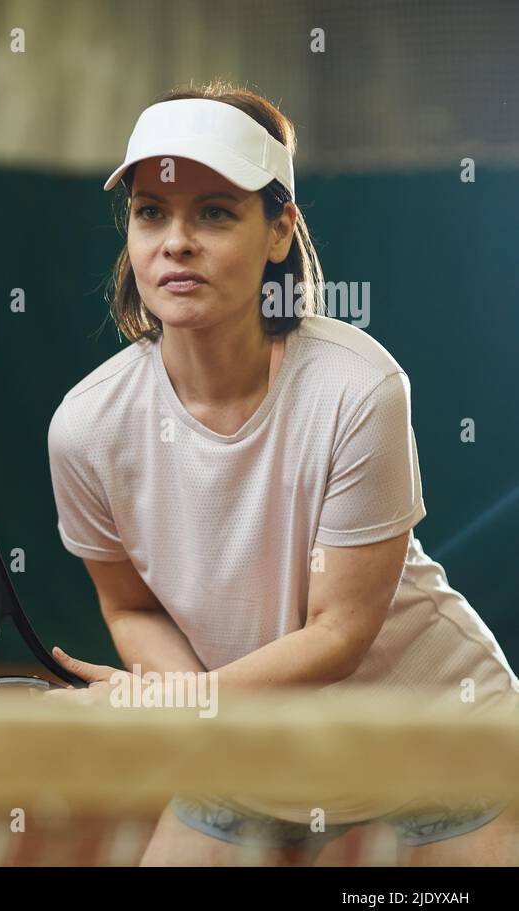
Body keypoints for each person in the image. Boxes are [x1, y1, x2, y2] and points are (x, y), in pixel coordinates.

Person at [44, 82, 519, 865]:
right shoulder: (87, 426)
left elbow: (338, 633)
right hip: (246, 745)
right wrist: (186, 710)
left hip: (439, 735)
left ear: (278, 232)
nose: (176, 241)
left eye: (216, 212)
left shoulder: (359, 388)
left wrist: (175, 705)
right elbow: (129, 606)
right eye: (151, 212)